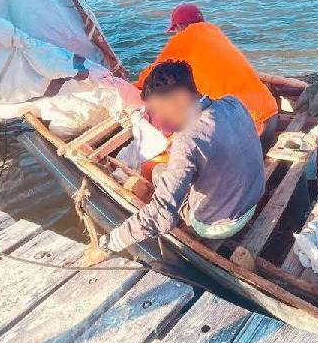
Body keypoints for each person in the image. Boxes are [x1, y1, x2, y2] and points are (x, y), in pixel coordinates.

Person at [84, 61, 264, 265]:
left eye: (158, 110)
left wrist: (108, 245)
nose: (159, 119)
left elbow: (161, 215)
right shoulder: (232, 103)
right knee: (169, 170)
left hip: (217, 226)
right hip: (252, 201)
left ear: (179, 98)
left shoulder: (187, 141)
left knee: (160, 171)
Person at [138, 3, 279, 149]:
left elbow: (153, 75)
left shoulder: (183, 39)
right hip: (272, 113)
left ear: (178, 27)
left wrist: (135, 87)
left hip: (252, 129)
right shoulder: (215, 32)